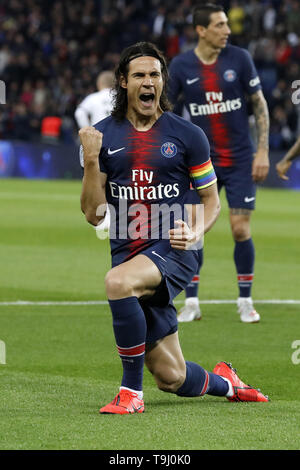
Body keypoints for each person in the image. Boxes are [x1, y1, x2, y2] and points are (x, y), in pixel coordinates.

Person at [79, 41, 269, 414]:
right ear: (123, 82)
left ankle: (130, 394)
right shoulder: (102, 137)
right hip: (129, 253)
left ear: (163, 82)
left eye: (155, 75)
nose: (148, 82)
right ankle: (228, 384)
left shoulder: (187, 135)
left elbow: (212, 200)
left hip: (176, 250)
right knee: (172, 377)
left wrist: (197, 231)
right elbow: (94, 214)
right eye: (139, 75)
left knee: (117, 283)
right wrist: (89, 160)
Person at [168, 3, 270, 323]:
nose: (227, 30)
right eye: (220, 25)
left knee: (240, 229)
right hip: (201, 162)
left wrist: (263, 151)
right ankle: (193, 303)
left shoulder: (240, 59)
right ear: (201, 30)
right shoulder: (182, 66)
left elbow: (259, 104)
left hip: (240, 158)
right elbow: (168, 113)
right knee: (195, 231)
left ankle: (244, 300)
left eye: (227, 24)